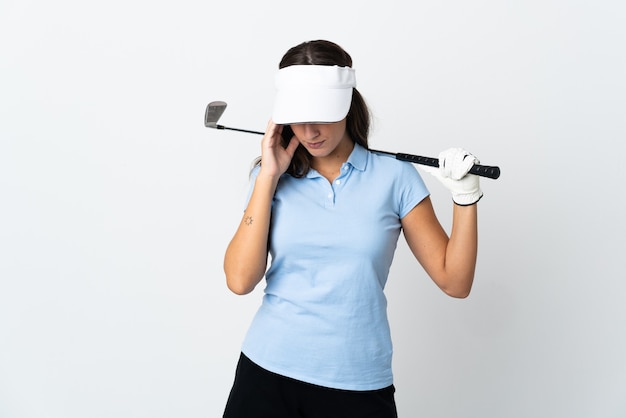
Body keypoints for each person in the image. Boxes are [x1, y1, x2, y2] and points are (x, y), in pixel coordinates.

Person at [222, 40, 483, 418]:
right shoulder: (273, 178)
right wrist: (267, 175)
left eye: (322, 115)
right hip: (267, 372)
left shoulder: (395, 177)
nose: (310, 131)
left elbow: (454, 282)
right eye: (297, 117)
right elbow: (240, 280)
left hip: (357, 381)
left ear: (348, 105)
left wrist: (466, 199)